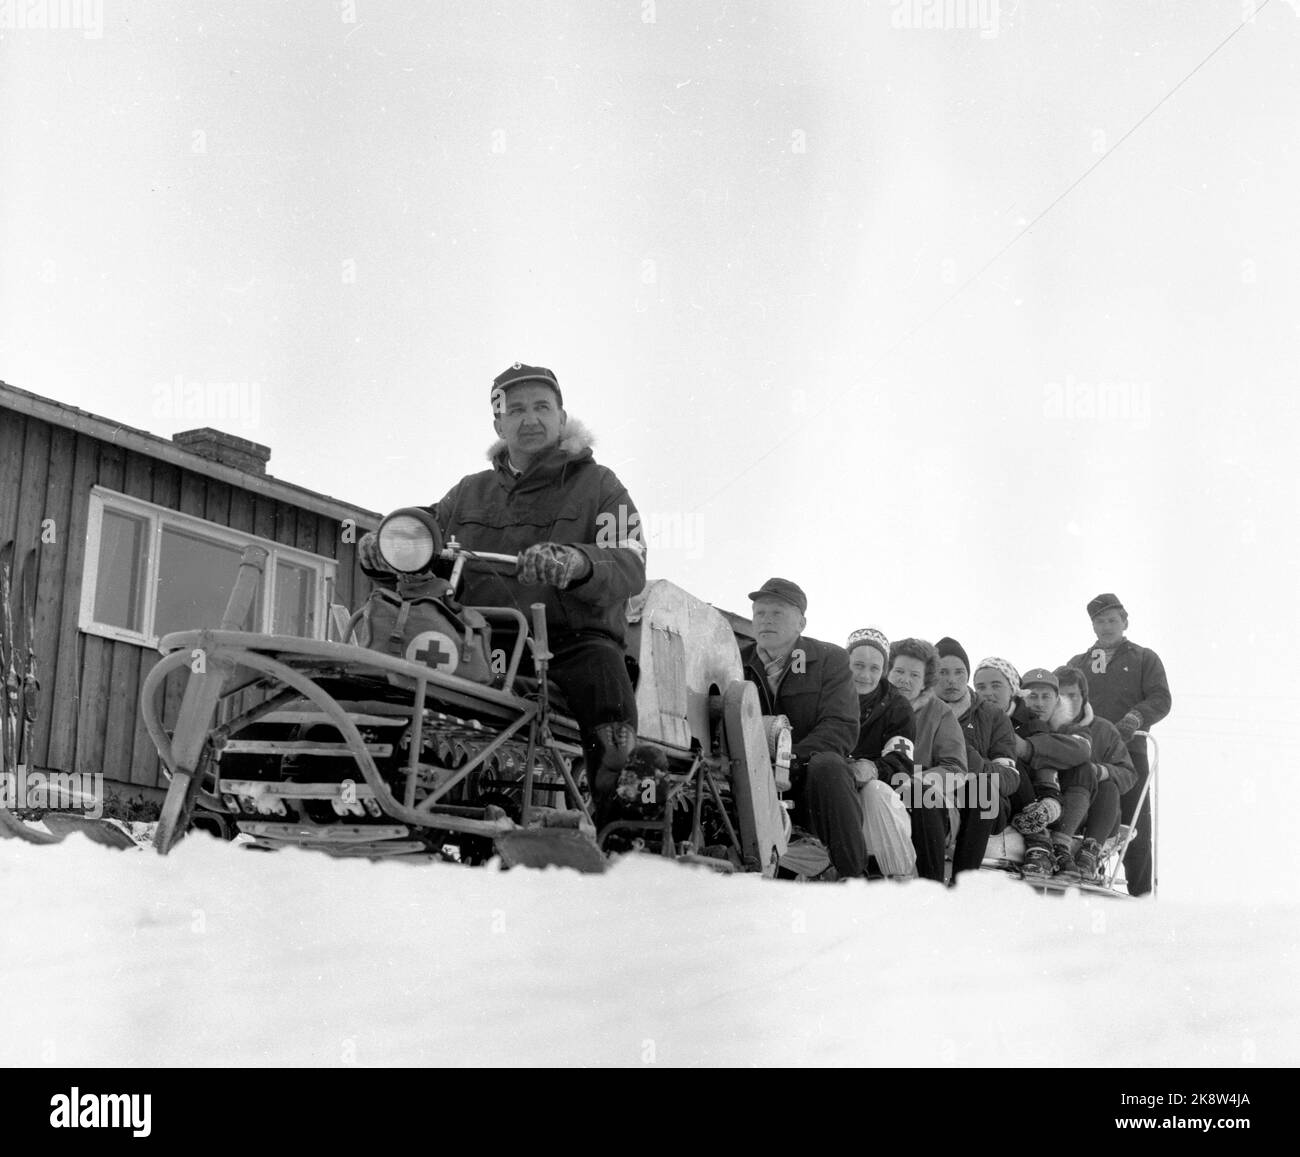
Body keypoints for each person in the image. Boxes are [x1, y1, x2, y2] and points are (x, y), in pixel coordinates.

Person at [358, 363, 646, 823]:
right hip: (478, 637)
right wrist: (387, 546)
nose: (529, 419)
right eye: (515, 410)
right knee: (390, 671)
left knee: (607, 691)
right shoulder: (469, 493)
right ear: (498, 423)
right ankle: (373, 787)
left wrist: (577, 562)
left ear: (560, 414)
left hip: (571, 643)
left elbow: (630, 562)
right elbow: (421, 532)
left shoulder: (601, 486)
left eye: (540, 407)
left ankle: (619, 818)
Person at [739, 578, 866, 880]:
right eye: (760, 613)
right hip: (747, 773)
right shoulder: (734, 659)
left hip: (807, 777)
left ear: (801, 623)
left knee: (830, 766)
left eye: (777, 613)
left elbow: (841, 726)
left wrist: (788, 760)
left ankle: (853, 878)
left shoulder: (830, 659)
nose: (766, 620)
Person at [1067, 593, 1170, 897]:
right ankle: (1076, 874)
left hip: (1129, 750)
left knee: (1134, 823)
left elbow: (1161, 698)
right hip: (1083, 750)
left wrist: (1136, 717)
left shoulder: (1143, 657)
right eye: (1100, 621)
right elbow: (1062, 697)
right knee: (1079, 810)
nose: (1106, 626)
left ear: (1125, 622)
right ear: (1092, 626)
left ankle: (1141, 895)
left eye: (1112, 620)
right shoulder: (1078, 663)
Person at [933, 637, 1018, 878]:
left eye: (960, 672)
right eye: (943, 672)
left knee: (981, 789)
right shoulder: (918, 710)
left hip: (984, 803)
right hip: (933, 792)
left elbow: (1010, 778)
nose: (952, 680)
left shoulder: (992, 716)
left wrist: (968, 758)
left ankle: (963, 885)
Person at [884, 638, 966, 882]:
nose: (904, 680)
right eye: (898, 671)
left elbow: (956, 769)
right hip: (877, 785)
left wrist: (911, 781)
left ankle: (931, 888)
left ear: (925, 682)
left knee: (920, 794)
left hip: (928, 800)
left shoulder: (939, 712)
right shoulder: (868, 704)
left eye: (914, 675)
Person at [1052, 666, 1137, 882]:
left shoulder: (1104, 730)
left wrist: (1101, 771)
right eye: (1060, 696)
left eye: (1072, 695)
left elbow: (1128, 774)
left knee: (1108, 786)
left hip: (1095, 813)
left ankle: (1090, 852)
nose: (1067, 702)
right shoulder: (1044, 723)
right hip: (1055, 806)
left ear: (1084, 696)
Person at [846, 627, 919, 878]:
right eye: (858, 665)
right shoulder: (828, 694)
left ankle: (895, 876)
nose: (865, 675)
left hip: (877, 787)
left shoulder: (898, 707)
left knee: (874, 792)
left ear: (884, 671)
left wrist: (873, 768)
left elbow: (901, 760)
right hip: (832, 777)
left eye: (874, 668)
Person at [1011, 668, 1094, 878]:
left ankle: (1060, 845)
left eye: (1046, 696)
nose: (1039, 703)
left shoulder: (1070, 728)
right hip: (1023, 798)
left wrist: (1029, 748)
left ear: (1057, 700)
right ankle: (1040, 843)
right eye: (1032, 696)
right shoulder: (1013, 723)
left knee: (1085, 769)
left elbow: (1082, 749)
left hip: (1062, 807)